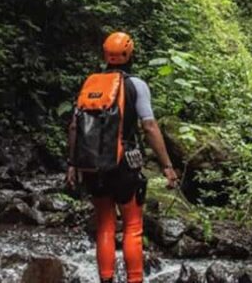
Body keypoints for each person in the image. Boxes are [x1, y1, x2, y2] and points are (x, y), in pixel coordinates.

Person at [67, 32, 179, 283]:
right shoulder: (136, 85)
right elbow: (149, 127)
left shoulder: (91, 83)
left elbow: (74, 126)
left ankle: (106, 279)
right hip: (124, 165)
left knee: (105, 225)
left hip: (93, 166)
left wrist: (72, 164)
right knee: (132, 227)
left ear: (105, 55)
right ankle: (134, 280)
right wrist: (167, 166)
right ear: (130, 55)